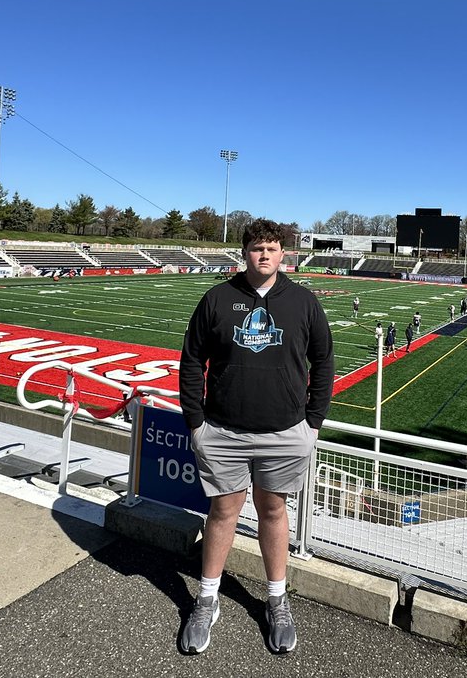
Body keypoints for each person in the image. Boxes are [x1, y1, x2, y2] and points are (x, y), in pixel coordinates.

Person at [178, 219, 334, 656]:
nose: (264, 254)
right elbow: (191, 360)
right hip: (223, 430)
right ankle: (206, 599)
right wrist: (195, 421)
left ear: (283, 253)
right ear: (244, 253)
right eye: (256, 248)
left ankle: (277, 600)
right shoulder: (217, 298)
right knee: (222, 511)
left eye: (271, 247)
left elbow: (324, 360)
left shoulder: (303, 301)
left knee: (273, 510)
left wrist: (313, 422)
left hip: (285, 432)